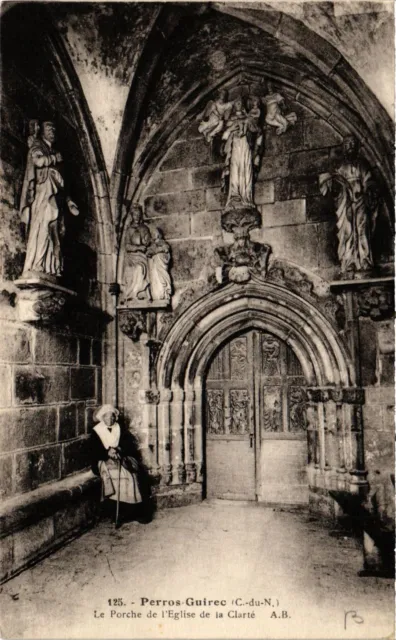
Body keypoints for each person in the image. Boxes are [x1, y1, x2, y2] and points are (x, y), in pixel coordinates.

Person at [20, 120, 79, 278]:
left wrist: (69, 201)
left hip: (54, 196)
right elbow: (38, 161)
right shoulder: (38, 146)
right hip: (43, 193)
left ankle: (49, 267)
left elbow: (61, 183)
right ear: (42, 131)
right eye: (48, 127)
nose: (52, 130)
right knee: (41, 226)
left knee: (54, 230)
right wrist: (54, 158)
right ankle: (36, 265)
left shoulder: (54, 151)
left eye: (54, 128)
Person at [319, 135, 379, 275]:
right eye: (347, 144)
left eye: (353, 143)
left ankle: (364, 259)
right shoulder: (340, 166)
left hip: (360, 200)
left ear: (357, 147)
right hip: (345, 202)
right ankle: (348, 260)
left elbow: (369, 180)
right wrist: (335, 185)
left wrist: (367, 190)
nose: (350, 146)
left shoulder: (362, 164)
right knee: (347, 229)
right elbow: (332, 184)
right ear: (343, 147)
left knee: (362, 227)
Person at [91, 404, 145, 527]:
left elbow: (128, 444)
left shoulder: (119, 428)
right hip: (102, 461)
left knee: (131, 475)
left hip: (120, 458)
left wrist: (119, 449)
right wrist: (106, 453)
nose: (110, 420)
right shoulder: (96, 431)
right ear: (102, 418)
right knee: (115, 475)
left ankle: (130, 511)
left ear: (115, 417)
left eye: (112, 417)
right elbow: (93, 450)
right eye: (107, 417)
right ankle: (115, 512)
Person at [124, 205, 152, 301]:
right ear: (132, 216)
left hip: (142, 257)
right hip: (132, 257)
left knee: (142, 268)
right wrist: (137, 248)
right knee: (135, 269)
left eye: (138, 215)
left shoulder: (144, 228)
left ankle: (139, 292)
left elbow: (147, 241)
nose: (137, 216)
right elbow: (127, 246)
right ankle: (133, 293)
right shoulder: (129, 230)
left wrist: (146, 240)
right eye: (135, 215)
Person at [147, 227, 172, 303]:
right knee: (155, 278)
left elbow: (166, 249)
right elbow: (148, 252)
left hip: (161, 264)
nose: (153, 235)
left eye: (155, 233)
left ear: (159, 235)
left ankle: (163, 294)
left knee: (162, 279)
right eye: (152, 234)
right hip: (154, 265)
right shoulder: (152, 245)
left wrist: (156, 251)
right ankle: (157, 295)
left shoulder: (163, 243)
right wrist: (153, 252)